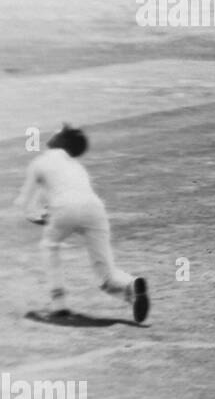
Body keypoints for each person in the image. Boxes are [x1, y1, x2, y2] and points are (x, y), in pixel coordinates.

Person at [15, 125, 149, 323]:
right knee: (105, 275)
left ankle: (59, 305)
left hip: (64, 209)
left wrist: (35, 216)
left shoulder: (41, 162)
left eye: (58, 132)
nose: (53, 133)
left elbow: (24, 202)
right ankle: (131, 284)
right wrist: (49, 212)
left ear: (61, 141)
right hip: (95, 210)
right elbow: (65, 194)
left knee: (49, 246)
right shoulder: (76, 166)